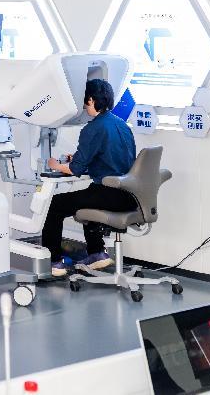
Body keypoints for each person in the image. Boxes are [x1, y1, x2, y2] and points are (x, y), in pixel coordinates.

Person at [41, 78, 137, 277]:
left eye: (85, 102)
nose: (84, 107)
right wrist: (78, 158)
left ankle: (54, 262)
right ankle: (96, 253)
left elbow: (75, 169)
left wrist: (55, 165)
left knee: (55, 204)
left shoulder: (93, 128)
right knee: (88, 195)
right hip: (130, 194)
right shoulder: (122, 125)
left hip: (110, 194)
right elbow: (113, 157)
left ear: (91, 100)